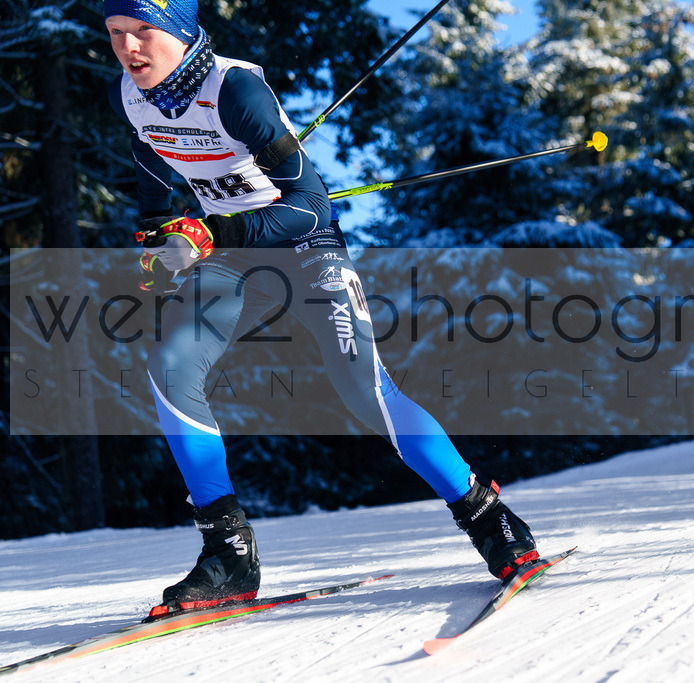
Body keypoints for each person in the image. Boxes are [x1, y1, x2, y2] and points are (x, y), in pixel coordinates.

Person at [103, 0, 539, 613]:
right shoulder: (133, 94)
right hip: (230, 256)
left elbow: (313, 206)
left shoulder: (236, 91)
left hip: (302, 249)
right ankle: (229, 556)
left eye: (142, 32)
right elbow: (152, 175)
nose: (128, 48)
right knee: (171, 368)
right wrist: (156, 239)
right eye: (116, 34)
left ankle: (488, 518)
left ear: (180, 31)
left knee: (364, 391)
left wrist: (209, 234)